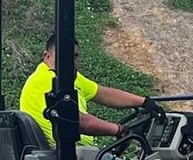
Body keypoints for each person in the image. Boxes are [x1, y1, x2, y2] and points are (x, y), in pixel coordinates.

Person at [18, 34, 148, 146]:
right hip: (65, 153)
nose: (70, 61)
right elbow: (78, 121)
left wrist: (143, 101)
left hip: (78, 153)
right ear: (47, 57)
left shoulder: (69, 77)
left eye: (74, 56)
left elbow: (104, 94)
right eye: (64, 55)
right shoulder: (47, 78)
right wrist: (118, 129)